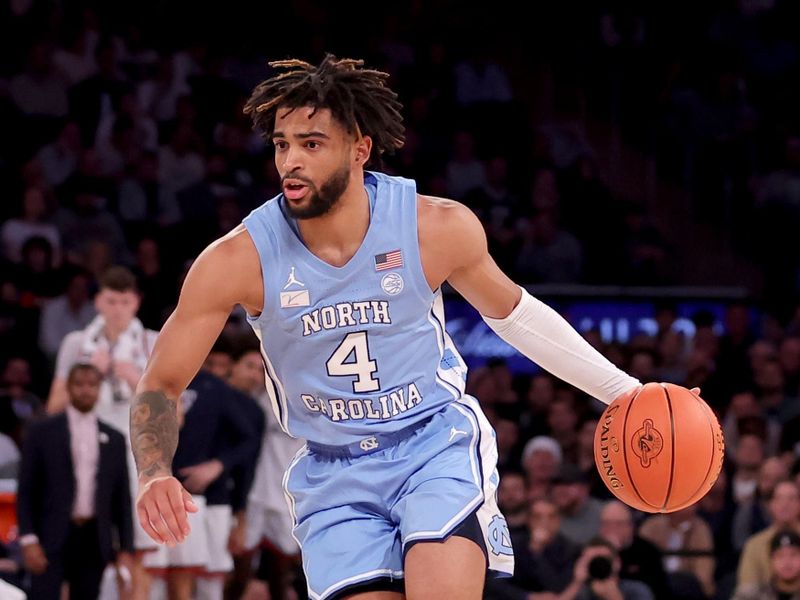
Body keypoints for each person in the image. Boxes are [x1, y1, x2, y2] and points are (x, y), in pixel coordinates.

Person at [130, 55, 701, 600]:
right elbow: (160, 385)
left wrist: (627, 391)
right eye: (282, 144)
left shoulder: (435, 227)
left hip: (433, 444)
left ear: (360, 149)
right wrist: (155, 471)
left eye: (311, 143)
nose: (289, 162)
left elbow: (518, 316)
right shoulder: (237, 259)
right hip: (334, 470)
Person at [47, 265, 159, 599]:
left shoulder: (151, 342)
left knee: (138, 549)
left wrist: (135, 379)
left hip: (136, 452)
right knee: (78, 544)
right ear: (98, 302)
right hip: (86, 452)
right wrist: (91, 374)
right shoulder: (76, 343)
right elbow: (53, 407)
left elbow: (176, 414)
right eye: (111, 301)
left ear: (136, 303)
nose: (117, 310)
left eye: (124, 302)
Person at [16, 364, 133, 600]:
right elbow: (26, 490)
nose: (86, 390)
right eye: (79, 384)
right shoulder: (41, 432)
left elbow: (122, 498)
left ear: (99, 389)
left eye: (92, 385)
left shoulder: (115, 438)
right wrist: (28, 539)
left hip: (94, 536)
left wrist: (126, 548)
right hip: (50, 534)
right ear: (68, 388)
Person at [733, 529, 800, 600]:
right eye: (780, 556)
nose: (787, 562)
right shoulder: (750, 596)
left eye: (793, 555)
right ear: (771, 561)